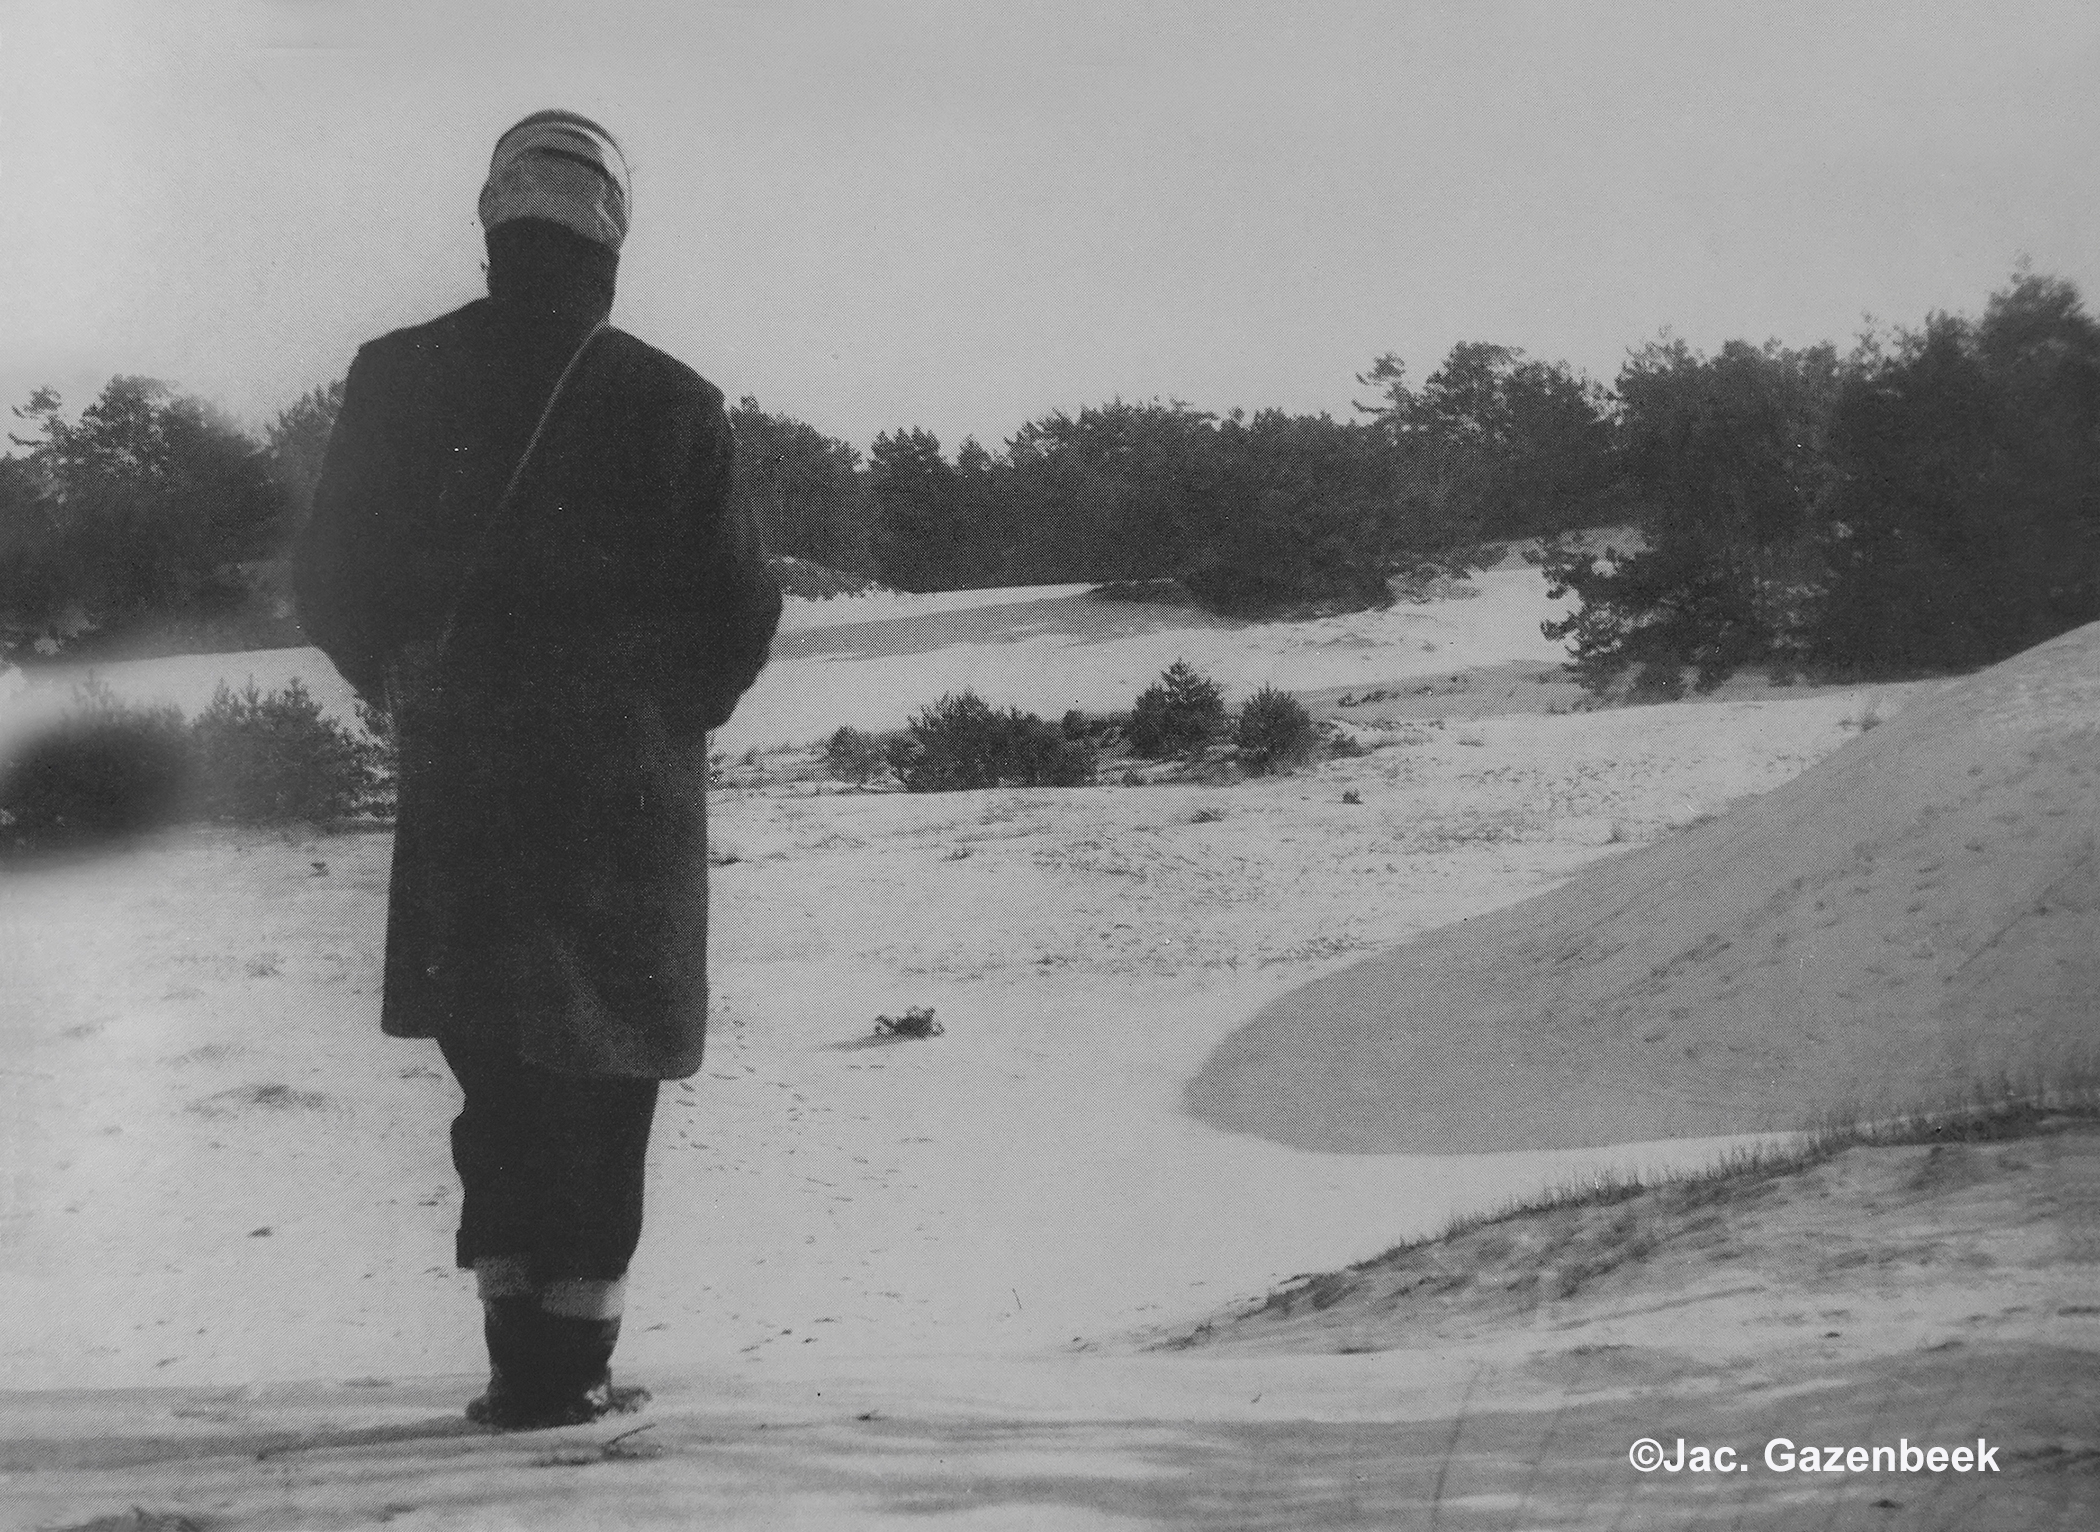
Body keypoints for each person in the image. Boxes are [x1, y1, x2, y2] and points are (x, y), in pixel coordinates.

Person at [293, 110, 782, 1429]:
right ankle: (572, 1363)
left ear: (495, 221)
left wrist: (396, 682)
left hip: (466, 776)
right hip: (622, 791)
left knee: (495, 1060)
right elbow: (740, 611)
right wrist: (668, 714)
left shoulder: (396, 375)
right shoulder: (673, 401)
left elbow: (330, 576)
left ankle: (521, 1361)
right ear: (611, 234)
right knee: (607, 1066)